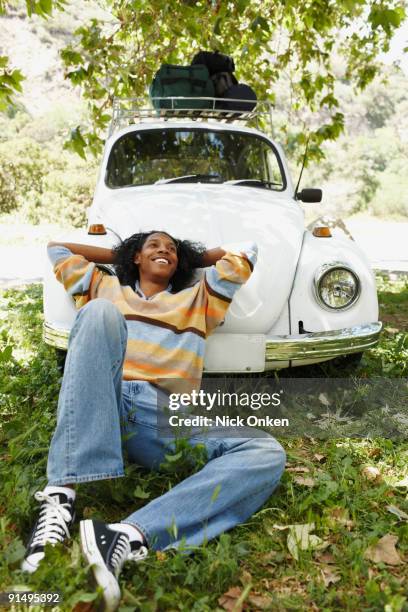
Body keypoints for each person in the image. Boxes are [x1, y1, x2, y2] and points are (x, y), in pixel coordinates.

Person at [22, 231, 286, 611]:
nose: (164, 251)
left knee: (266, 451)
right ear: (134, 258)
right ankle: (61, 500)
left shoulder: (200, 299)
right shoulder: (103, 286)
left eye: (172, 249)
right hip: (106, 398)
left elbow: (248, 248)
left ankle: (126, 536)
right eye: (154, 246)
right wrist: (124, 255)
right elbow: (56, 249)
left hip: (163, 416)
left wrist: (189, 259)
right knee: (98, 312)